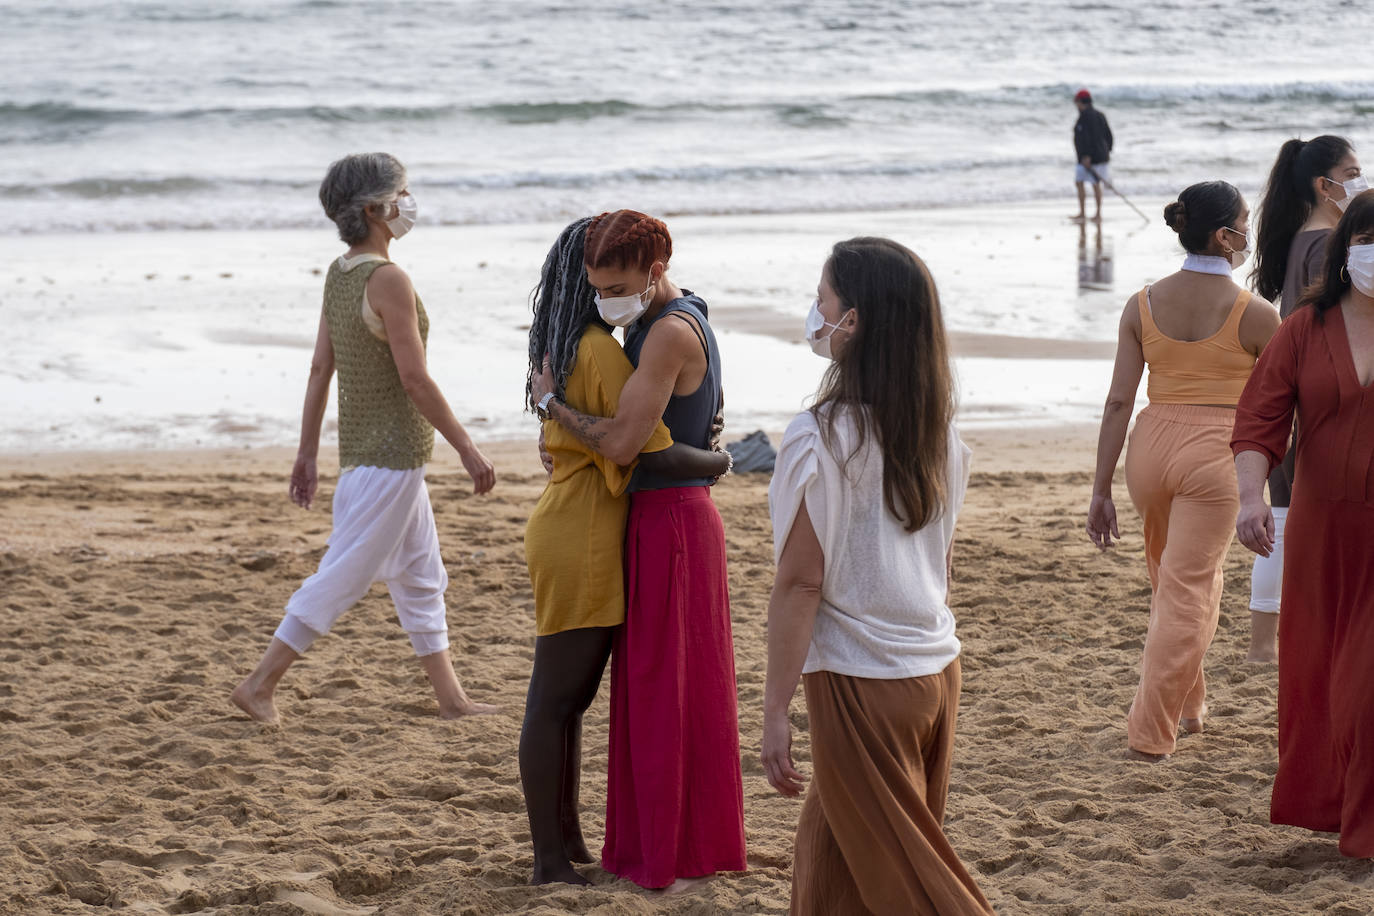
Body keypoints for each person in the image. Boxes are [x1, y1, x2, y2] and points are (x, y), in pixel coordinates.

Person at [761, 237, 991, 915]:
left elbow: (801, 584)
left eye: (823, 299)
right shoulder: (937, 431)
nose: (815, 311)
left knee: (913, 886)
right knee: (833, 862)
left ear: (852, 321)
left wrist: (775, 709)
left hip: (862, 681)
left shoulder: (819, 436)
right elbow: (941, 562)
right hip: (933, 671)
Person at [231, 153, 497, 724]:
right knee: (344, 575)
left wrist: (307, 454)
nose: (409, 203)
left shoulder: (339, 273)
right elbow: (414, 378)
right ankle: (258, 685)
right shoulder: (388, 279)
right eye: (402, 194)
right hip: (391, 458)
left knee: (422, 575)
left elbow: (319, 369)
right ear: (376, 209)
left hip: (369, 457)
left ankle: (452, 700)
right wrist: (467, 449)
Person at [530, 210, 746, 891]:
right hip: (644, 518)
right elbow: (639, 443)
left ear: (653, 271)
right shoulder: (667, 320)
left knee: (655, 691)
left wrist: (552, 408)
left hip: (664, 521)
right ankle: (583, 853)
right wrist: (719, 459)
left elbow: (625, 443)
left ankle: (632, 850)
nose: (604, 299)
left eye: (616, 284)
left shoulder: (652, 337)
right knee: (649, 691)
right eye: (595, 286)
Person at [1086, 181, 1279, 761]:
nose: (1249, 233)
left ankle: (1189, 707)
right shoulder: (1256, 313)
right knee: (1189, 590)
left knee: (1171, 582)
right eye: (1245, 223)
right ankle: (1149, 733)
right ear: (1225, 236)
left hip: (1149, 447)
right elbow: (1280, 404)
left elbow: (1119, 401)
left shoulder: (1142, 303)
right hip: (1216, 451)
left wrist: (1100, 489)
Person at [1233, 189, 1374, 859]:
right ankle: (1337, 807)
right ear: (1348, 248)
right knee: (1320, 675)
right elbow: (1260, 417)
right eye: (1370, 240)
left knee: (1366, 681)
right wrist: (1251, 497)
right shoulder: (1305, 328)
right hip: (1322, 534)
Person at [1244, 135, 1365, 662]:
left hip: (1298, 395)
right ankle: (1263, 645)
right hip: (1322, 402)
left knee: (1284, 522)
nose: (1362, 179)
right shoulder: (1328, 245)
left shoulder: (1297, 239)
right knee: (1289, 525)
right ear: (1326, 184)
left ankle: (1262, 645)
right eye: (1354, 171)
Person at [1072, 88, 1113, 222]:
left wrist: (1087, 156)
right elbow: (1109, 136)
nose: (1076, 105)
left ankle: (1097, 214)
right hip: (1093, 157)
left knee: (1095, 184)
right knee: (1079, 182)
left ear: (1081, 101)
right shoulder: (1097, 114)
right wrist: (1108, 151)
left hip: (1092, 158)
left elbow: (1092, 137)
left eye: (1076, 102)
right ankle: (1084, 212)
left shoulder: (1088, 116)